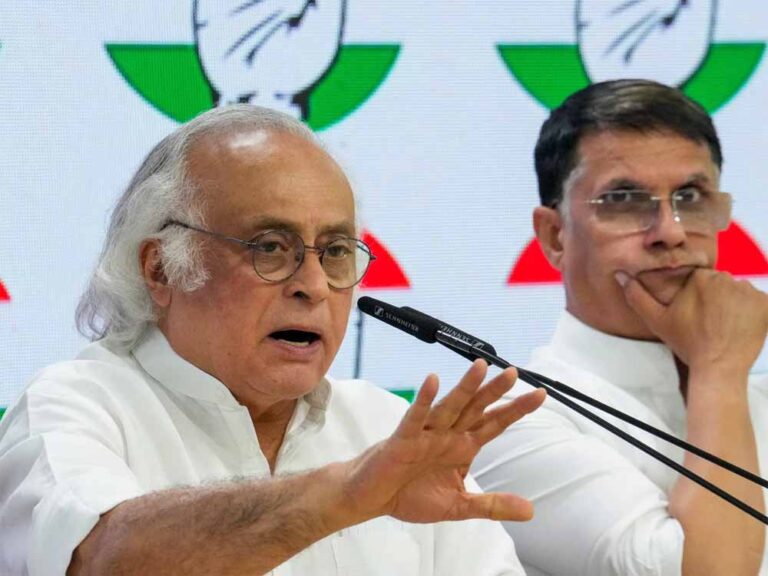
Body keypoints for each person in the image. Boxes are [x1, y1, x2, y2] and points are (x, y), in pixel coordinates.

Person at [0, 104, 545, 575]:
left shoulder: (383, 426)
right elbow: (94, 559)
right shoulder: (75, 407)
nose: (314, 285)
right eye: (270, 247)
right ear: (161, 268)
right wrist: (342, 496)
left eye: (335, 251)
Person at [473, 79, 768, 576]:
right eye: (625, 199)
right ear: (554, 236)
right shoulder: (512, 418)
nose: (670, 232)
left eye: (691, 196)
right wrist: (717, 367)